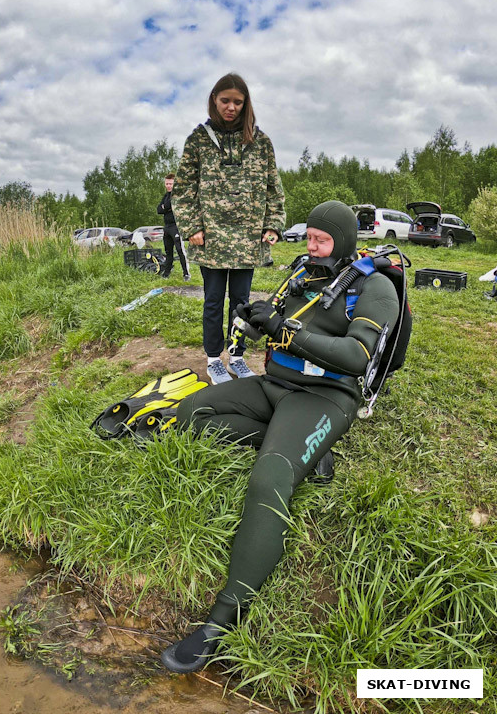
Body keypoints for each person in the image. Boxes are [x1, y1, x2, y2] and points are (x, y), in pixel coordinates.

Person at [161, 201, 400, 674]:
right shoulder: (302, 274)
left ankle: (221, 621)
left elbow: (355, 357)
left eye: (321, 240)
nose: (311, 246)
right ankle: (302, 448)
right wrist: (254, 321)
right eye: (308, 237)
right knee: (191, 414)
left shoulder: (374, 288)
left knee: (269, 479)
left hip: (324, 397)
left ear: (345, 241)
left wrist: (284, 332)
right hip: (274, 386)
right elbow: (275, 315)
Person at [172, 73, 285, 385]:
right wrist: (192, 227)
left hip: (247, 240)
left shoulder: (261, 143)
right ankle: (213, 360)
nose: (231, 107)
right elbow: (181, 191)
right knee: (212, 301)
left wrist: (273, 224)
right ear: (214, 101)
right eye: (225, 101)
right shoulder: (198, 140)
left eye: (238, 102)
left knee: (241, 302)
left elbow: (273, 189)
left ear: (246, 104)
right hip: (211, 240)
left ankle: (236, 356)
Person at [157, 173, 190, 281]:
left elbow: (167, 206)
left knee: (180, 250)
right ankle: (167, 273)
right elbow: (159, 209)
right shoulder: (166, 196)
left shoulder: (177, 195)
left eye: (171, 183)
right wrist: (165, 207)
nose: (169, 186)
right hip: (166, 227)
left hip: (176, 227)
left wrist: (165, 207)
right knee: (168, 251)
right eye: (167, 183)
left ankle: (186, 274)